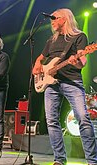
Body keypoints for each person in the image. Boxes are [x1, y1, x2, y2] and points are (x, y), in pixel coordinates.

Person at [32, 8, 97, 165]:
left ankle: (92, 161)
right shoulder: (51, 40)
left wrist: (78, 61)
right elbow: (41, 58)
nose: (52, 21)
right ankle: (59, 159)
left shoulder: (79, 36)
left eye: (55, 18)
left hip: (72, 82)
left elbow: (83, 61)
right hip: (51, 84)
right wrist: (37, 65)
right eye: (51, 19)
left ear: (65, 19)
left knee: (83, 118)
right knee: (52, 121)